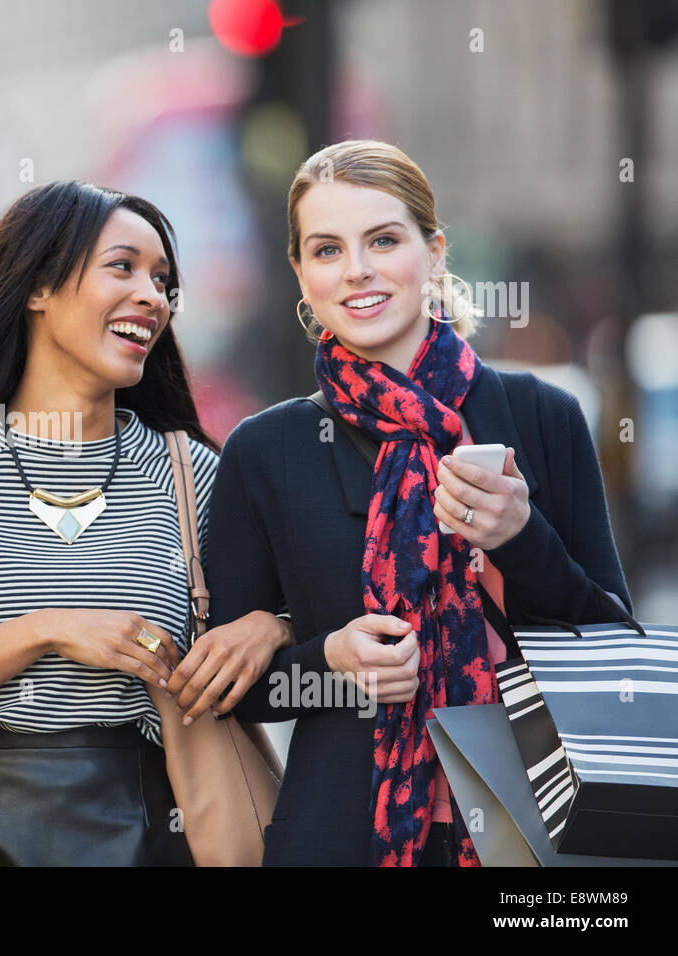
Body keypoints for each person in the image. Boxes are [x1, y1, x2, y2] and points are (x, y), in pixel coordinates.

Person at [0, 180, 293, 866]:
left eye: (163, 280)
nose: (152, 296)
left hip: (157, 834)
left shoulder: (191, 472)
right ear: (38, 287)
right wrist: (47, 629)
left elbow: (287, 660)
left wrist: (271, 626)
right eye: (123, 267)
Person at [201, 140, 631, 867]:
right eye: (327, 249)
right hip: (343, 836)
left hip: (533, 836)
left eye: (383, 240)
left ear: (433, 254)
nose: (358, 270)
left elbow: (615, 656)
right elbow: (229, 690)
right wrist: (330, 663)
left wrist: (520, 537)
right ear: (301, 275)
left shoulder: (542, 415)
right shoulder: (266, 449)